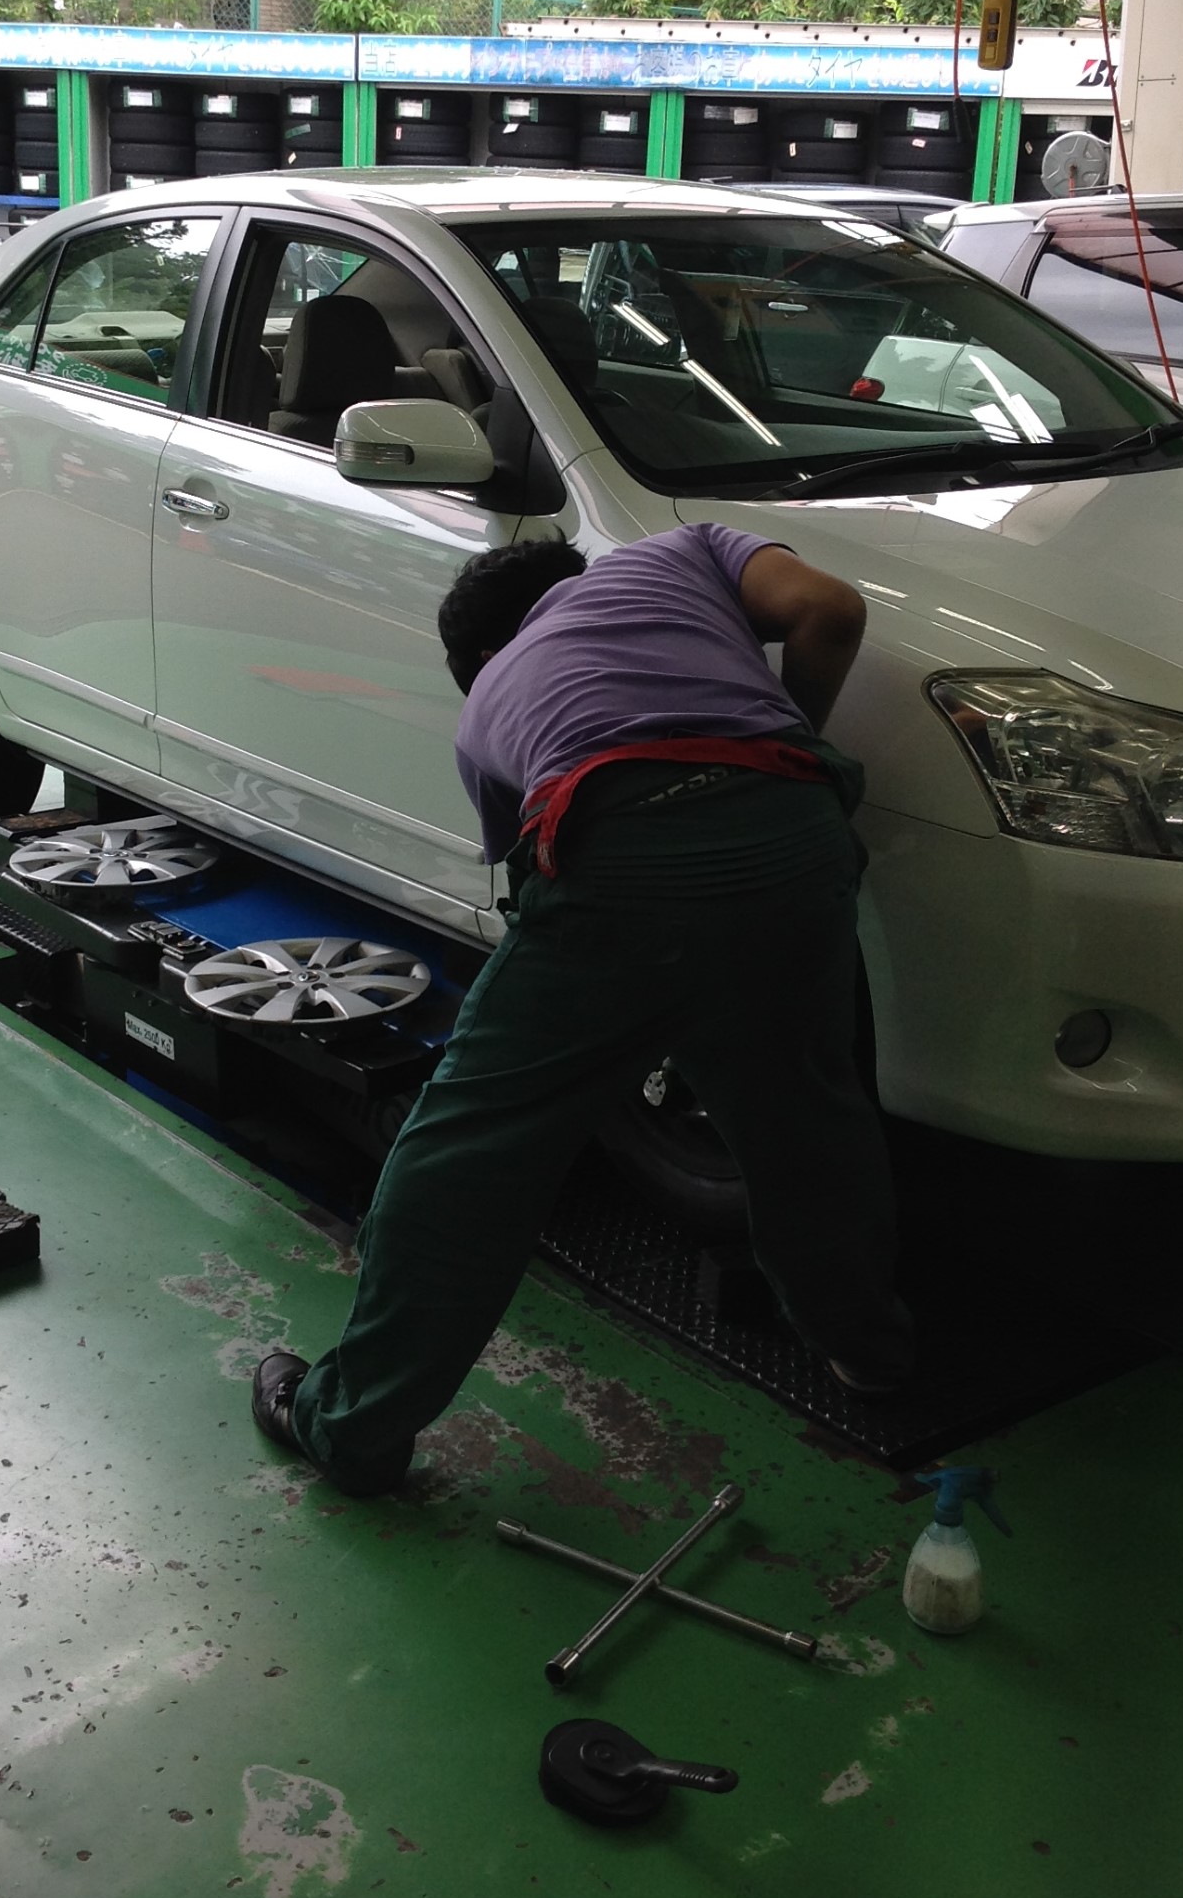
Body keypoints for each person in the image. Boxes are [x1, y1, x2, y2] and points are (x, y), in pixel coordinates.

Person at [252, 523, 913, 1497]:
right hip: (795, 834)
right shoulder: (679, 553)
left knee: (470, 1145)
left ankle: (352, 1423)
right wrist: (779, 749)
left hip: (622, 853)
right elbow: (830, 610)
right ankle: (869, 1354)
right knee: (803, 1113)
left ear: (482, 655)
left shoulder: (489, 698)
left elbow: (538, 883)